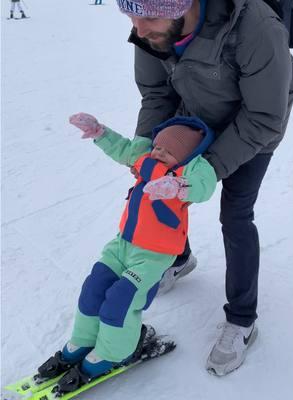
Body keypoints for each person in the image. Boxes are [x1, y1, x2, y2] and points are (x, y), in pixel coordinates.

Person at [115, 0, 293, 376]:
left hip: (256, 124)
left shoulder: (256, 27)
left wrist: (207, 170)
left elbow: (264, 116)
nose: (139, 29)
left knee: (235, 214)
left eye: (148, 16)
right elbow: (156, 93)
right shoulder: (151, 29)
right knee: (158, 187)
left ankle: (242, 320)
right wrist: (144, 150)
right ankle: (179, 257)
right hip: (194, 111)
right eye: (131, 16)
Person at [37, 112, 216, 385]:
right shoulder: (148, 162)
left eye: (167, 152)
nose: (157, 153)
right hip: (122, 244)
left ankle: (114, 352)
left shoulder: (186, 174)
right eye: (157, 146)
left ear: (182, 158)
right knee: (94, 287)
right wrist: (99, 132)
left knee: (121, 298)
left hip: (153, 256)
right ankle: (82, 342)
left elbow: (205, 186)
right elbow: (124, 149)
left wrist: (179, 187)